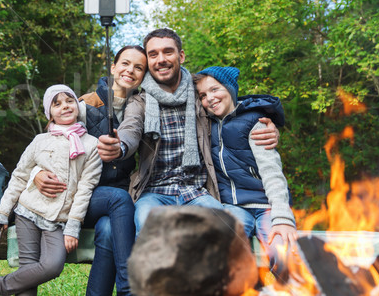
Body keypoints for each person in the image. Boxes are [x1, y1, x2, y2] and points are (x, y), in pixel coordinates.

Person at [97, 28, 281, 238]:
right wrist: (119, 146)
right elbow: (130, 128)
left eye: (168, 52)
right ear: (148, 61)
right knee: (148, 226)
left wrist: (267, 122)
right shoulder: (140, 101)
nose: (161, 59)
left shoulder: (199, 93)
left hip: (197, 191)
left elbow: (230, 107)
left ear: (181, 56)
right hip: (154, 192)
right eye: (153, 54)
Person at [0, 84, 102, 296]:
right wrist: (3, 212)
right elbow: (19, 176)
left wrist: (73, 226)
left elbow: (85, 188)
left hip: (58, 219)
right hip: (28, 211)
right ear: (50, 113)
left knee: (53, 266)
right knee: (27, 273)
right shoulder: (39, 141)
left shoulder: (91, 144)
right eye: (57, 104)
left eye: (69, 101)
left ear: (77, 106)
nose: (65, 106)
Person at [34, 46, 147, 296]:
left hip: (113, 204)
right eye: (125, 64)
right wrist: (37, 175)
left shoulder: (141, 110)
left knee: (107, 230)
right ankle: (130, 288)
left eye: (139, 67)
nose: (130, 70)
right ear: (113, 67)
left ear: (143, 76)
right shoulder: (84, 105)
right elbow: (44, 147)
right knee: (119, 199)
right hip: (79, 197)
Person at [194, 66, 297, 272]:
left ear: (230, 89)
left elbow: (272, 172)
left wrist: (282, 216)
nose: (210, 98)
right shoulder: (205, 126)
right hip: (232, 206)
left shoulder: (254, 122)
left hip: (265, 205)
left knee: (282, 253)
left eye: (215, 90)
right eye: (203, 95)